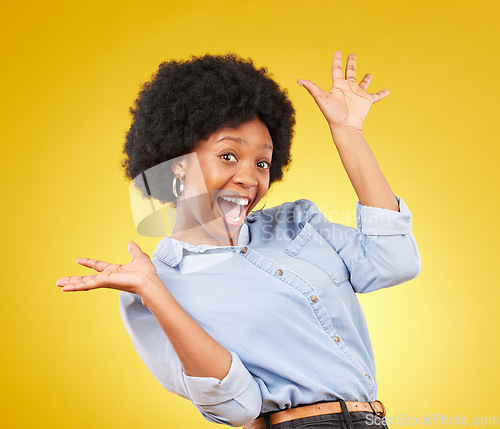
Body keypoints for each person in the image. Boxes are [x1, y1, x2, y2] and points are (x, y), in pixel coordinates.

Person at [56, 51, 421, 429]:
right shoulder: (150, 290)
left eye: (262, 163)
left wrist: (349, 134)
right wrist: (156, 292)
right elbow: (237, 406)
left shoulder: (295, 221)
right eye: (228, 156)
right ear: (179, 165)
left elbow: (394, 261)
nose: (250, 178)